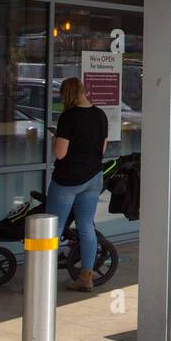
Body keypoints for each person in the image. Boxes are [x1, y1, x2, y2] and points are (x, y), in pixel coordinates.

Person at [48, 77, 109, 292]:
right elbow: (101, 150)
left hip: (68, 180)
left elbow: (60, 153)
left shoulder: (68, 117)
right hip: (93, 178)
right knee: (86, 226)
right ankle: (86, 277)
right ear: (84, 91)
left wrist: (57, 138)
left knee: (52, 227)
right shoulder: (100, 115)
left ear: (66, 95)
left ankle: (42, 279)